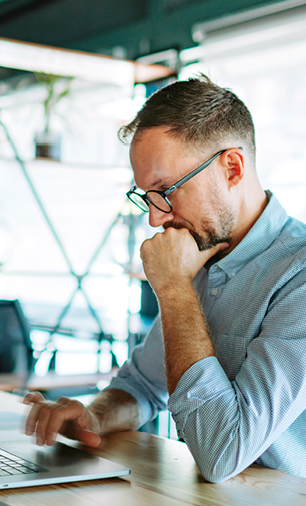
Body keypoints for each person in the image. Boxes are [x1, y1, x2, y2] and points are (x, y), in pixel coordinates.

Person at [24, 75, 306, 483]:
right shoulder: (198, 250)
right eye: (146, 197)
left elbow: (223, 452)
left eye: (166, 190)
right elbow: (142, 384)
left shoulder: (296, 276)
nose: (155, 218)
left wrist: (174, 290)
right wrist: (94, 414)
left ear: (232, 167)